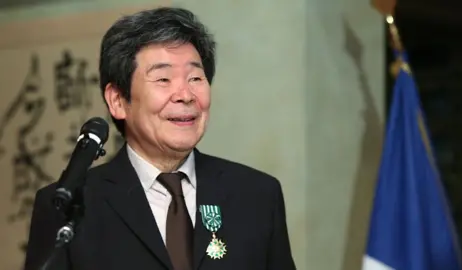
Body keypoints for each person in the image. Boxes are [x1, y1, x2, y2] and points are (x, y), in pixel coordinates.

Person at [23, 6, 296, 270]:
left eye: (196, 78)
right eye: (163, 79)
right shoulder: (68, 206)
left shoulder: (257, 196)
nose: (185, 95)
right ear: (117, 100)